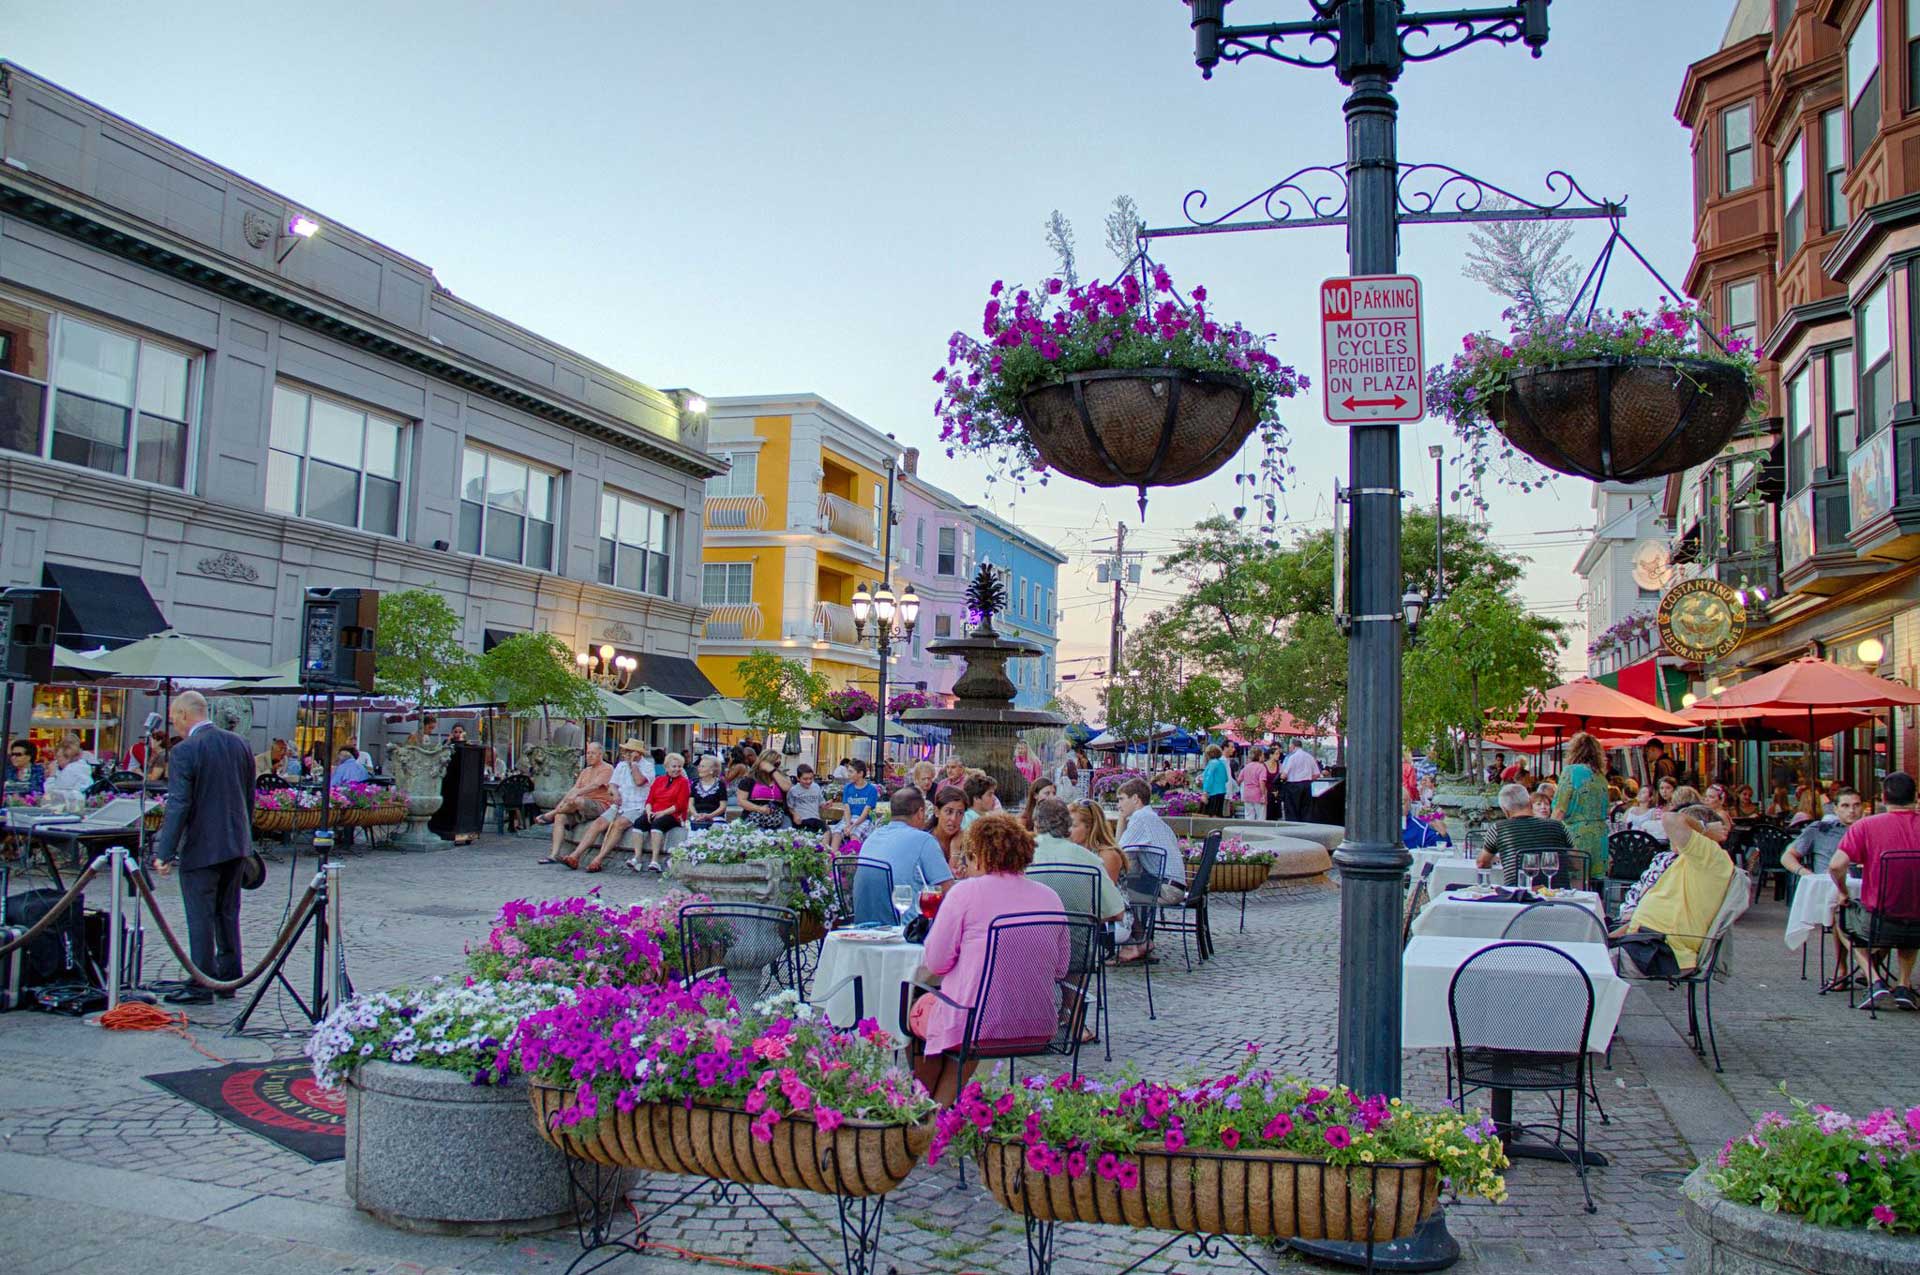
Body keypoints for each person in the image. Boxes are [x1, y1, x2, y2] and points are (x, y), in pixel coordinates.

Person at [907, 814, 1070, 1102]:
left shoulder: (965, 893)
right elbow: (1060, 968)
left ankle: (922, 1104)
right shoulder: (1050, 897)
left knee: (921, 1010)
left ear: (980, 855)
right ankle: (941, 1109)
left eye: (969, 857)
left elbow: (935, 963)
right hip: (1038, 1024)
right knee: (962, 1017)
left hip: (978, 1024)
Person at [149, 691, 255, 1005]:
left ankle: (201, 982)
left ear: (183, 714)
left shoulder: (185, 750)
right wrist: (244, 837)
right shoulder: (239, 744)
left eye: (173, 719)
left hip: (202, 846)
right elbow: (248, 796)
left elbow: (179, 804)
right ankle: (229, 976)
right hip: (236, 843)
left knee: (200, 915)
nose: (174, 726)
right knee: (227, 912)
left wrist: (163, 852)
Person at [1830, 771, 1920, 1011]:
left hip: (1879, 921)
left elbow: (1836, 865)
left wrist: (1842, 892)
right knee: (1911, 921)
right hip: (1918, 923)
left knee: (1843, 920)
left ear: (1883, 798)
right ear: (1916, 797)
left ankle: (1875, 981)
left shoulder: (1866, 826)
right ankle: (1903, 984)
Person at [1611, 804, 1735, 976]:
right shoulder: (1688, 860)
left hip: (1663, 951)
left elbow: (1671, 819)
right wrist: (1609, 937)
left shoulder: (1709, 855)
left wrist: (1703, 828)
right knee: (1577, 946)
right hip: (1646, 941)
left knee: (1578, 966)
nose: (1670, 836)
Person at [1783, 786, 1864, 991]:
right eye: (1845, 806)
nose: (1851, 811)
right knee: (1840, 907)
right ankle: (1844, 969)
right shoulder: (1820, 830)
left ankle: (1868, 967)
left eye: (1856, 805)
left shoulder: (1870, 829)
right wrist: (1805, 874)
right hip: (1828, 892)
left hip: (1864, 891)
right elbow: (1787, 856)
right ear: (1835, 809)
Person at [853, 788, 953, 924]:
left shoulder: (872, 837)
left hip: (865, 926)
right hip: (906, 930)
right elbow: (948, 891)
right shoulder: (924, 840)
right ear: (920, 812)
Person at [1113, 777, 1185, 962]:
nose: (1118, 804)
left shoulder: (1140, 819)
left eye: (1121, 799)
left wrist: (1121, 820)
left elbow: (1116, 852)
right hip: (1173, 885)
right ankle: (1141, 939)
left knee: (1113, 893)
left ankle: (1137, 942)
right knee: (1124, 888)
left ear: (1135, 799)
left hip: (1166, 889)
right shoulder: (1152, 818)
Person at [1028, 797, 1126, 922]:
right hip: (1076, 938)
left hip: (1026, 936)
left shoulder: (1019, 856)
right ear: (1067, 824)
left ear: (1036, 824)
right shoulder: (1089, 860)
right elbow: (1116, 912)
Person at [571, 739, 650, 873]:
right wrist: (615, 793)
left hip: (637, 806)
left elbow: (639, 781)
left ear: (637, 754)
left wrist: (634, 764)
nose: (625, 754)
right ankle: (575, 855)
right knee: (598, 823)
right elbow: (612, 785)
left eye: (629, 752)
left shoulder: (647, 766)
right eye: (625, 751)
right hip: (620, 804)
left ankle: (598, 859)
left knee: (618, 824)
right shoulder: (621, 766)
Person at [1477, 783, 1576, 886]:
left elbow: (1481, 863)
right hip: (1557, 893)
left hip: (1518, 894)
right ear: (1529, 802)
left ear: (1505, 810)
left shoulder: (1499, 829)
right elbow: (1576, 860)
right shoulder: (1558, 826)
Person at [535, 741, 615, 863]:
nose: (589, 756)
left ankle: (550, 815)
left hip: (599, 805)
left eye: (593, 753)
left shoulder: (607, 768)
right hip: (580, 805)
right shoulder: (585, 771)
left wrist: (576, 794)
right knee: (560, 816)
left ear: (600, 754)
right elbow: (573, 789)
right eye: (588, 753)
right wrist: (561, 804)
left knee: (577, 801)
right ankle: (554, 854)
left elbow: (594, 785)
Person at [1551, 732, 1611, 878]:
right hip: (1600, 836)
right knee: (1594, 884)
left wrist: (1549, 832)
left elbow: (1560, 808)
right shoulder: (1600, 777)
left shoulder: (1571, 771)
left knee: (1576, 883)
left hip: (1577, 836)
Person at [632, 753, 691, 873]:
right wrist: (649, 812)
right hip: (655, 811)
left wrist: (662, 813)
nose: (677, 769)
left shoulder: (683, 782)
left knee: (657, 825)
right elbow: (650, 799)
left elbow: (680, 805)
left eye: (679, 767)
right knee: (639, 823)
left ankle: (655, 860)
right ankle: (637, 857)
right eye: (674, 766)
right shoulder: (659, 780)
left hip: (673, 814)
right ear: (667, 767)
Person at [828, 758, 881, 850]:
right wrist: (848, 824)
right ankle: (832, 858)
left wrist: (852, 826)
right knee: (836, 833)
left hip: (864, 820)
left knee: (855, 834)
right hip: (848, 818)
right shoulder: (848, 788)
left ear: (860, 773)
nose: (848, 775)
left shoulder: (871, 790)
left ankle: (852, 858)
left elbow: (865, 813)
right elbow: (847, 809)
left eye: (851, 772)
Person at [1069, 799, 1125, 883]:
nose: (1067, 830)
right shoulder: (1070, 851)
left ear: (1090, 827)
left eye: (1073, 825)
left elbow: (1105, 894)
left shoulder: (1107, 856)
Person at [736, 754, 791, 829]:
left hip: (779, 816)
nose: (777, 766)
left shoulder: (781, 777)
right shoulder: (749, 779)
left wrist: (772, 771)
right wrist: (759, 808)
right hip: (754, 815)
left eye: (778, 764)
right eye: (775, 764)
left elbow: (787, 788)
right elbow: (741, 801)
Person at [1278, 738, 1319, 822]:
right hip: (1307, 785)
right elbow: (1317, 774)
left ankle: (1293, 828)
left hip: (1293, 785)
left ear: (1293, 746)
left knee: (1292, 810)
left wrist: (1281, 777)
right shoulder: (1309, 757)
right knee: (1306, 810)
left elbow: (1284, 775)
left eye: (1290, 745)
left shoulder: (1292, 757)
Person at [930, 784, 969, 869]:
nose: (954, 819)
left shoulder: (968, 842)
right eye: (949, 811)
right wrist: (955, 851)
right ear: (937, 811)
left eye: (960, 813)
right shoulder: (926, 841)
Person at [688, 754, 730, 831]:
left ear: (712, 770)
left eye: (702, 766)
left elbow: (723, 807)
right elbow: (690, 803)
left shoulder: (720, 785)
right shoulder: (695, 783)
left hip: (715, 818)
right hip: (697, 818)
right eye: (699, 766)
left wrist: (709, 816)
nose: (699, 768)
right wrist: (695, 814)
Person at [786, 763, 827, 832]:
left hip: (816, 819)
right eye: (805, 779)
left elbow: (821, 803)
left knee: (827, 833)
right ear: (798, 778)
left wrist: (825, 805)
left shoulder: (816, 787)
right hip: (802, 820)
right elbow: (789, 807)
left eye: (811, 778)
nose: (808, 781)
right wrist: (794, 814)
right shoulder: (793, 790)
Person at [1238, 746, 1270, 823]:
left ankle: (1248, 832)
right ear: (1259, 756)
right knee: (1260, 818)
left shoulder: (1246, 767)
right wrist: (1263, 795)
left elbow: (1239, 780)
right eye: (1262, 755)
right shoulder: (1261, 767)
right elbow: (1262, 782)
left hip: (1247, 795)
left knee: (1249, 817)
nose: (1263, 756)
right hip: (1258, 795)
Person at [1199, 744, 1231, 818]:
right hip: (1222, 792)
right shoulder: (1222, 764)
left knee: (1211, 814)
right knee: (1218, 814)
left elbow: (1208, 779)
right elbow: (1226, 778)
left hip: (1213, 793)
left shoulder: (1212, 763)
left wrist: (1205, 792)